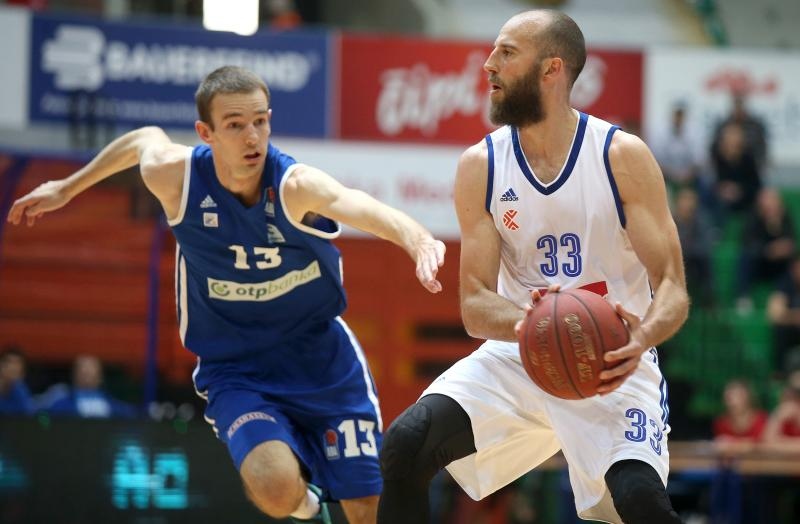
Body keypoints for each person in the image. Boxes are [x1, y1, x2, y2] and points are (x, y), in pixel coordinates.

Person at [7, 65, 445, 524]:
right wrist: (67, 187)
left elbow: (364, 206)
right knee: (274, 487)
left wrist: (417, 241)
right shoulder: (176, 178)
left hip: (320, 361)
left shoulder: (295, 186)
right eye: (235, 125)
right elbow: (143, 139)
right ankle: (308, 504)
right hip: (237, 369)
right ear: (206, 133)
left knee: (367, 510)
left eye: (260, 121)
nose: (252, 136)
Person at [378, 10, 689, 524]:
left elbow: (674, 287)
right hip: (520, 356)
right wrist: (536, 324)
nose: (488, 65)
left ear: (552, 69)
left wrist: (642, 338)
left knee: (640, 502)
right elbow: (475, 305)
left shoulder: (621, 157)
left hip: (612, 363)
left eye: (506, 53)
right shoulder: (481, 166)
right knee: (405, 444)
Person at [42, 354, 137, 418]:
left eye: (91, 372)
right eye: (83, 372)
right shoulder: (61, 404)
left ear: (100, 377)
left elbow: (133, 415)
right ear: (75, 375)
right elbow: (43, 418)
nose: (87, 375)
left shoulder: (116, 407)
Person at [0, 346, 34, 415]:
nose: (13, 367)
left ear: (22, 374)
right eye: (9, 362)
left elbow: (28, 414)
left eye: (17, 364)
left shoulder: (20, 391)